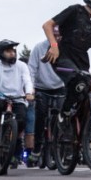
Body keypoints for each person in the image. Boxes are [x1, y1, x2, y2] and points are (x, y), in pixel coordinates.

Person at [0, 40, 35, 164]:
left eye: (13, 51)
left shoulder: (22, 66)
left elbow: (27, 80)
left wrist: (29, 93)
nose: (12, 53)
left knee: (22, 120)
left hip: (18, 98)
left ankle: (16, 144)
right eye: (8, 51)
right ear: (1, 53)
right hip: (1, 97)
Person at [28, 38, 65, 168]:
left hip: (60, 86)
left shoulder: (66, 46)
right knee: (40, 114)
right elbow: (31, 69)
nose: (58, 37)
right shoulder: (39, 47)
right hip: (41, 87)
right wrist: (30, 89)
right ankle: (37, 148)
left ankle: (58, 146)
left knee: (62, 116)